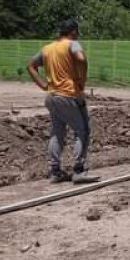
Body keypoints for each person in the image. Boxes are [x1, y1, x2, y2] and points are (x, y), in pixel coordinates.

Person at [27, 19, 99, 183]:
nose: (78, 35)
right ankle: (79, 170)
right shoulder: (72, 44)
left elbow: (30, 66)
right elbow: (81, 59)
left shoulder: (47, 49)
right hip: (69, 95)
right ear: (73, 32)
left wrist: (43, 84)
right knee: (83, 131)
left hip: (52, 96)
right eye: (77, 32)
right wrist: (82, 80)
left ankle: (55, 171)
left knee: (57, 133)